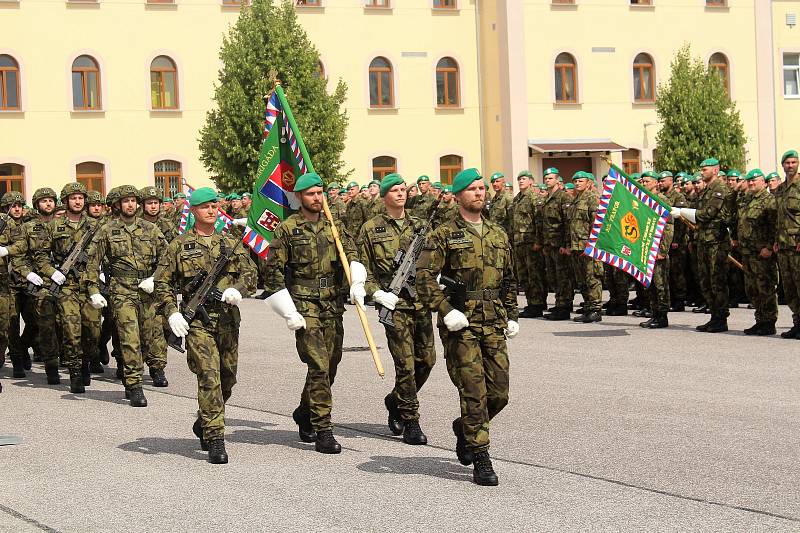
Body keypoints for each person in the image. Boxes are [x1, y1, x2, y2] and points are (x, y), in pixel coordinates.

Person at [416, 167, 519, 487]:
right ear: (458, 196)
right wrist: (446, 311)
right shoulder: (443, 234)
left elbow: (509, 279)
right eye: (472, 189)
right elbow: (422, 278)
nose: (479, 193)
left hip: (493, 321)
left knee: (499, 393)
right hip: (462, 324)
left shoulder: (498, 233)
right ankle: (481, 454)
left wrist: (513, 314)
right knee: (474, 391)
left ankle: (465, 427)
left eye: (481, 188)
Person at [156, 187, 256, 463]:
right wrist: (172, 312)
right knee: (209, 377)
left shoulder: (229, 243)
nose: (211, 210)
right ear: (194, 211)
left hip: (227, 320)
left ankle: (204, 419)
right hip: (198, 323)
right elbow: (162, 282)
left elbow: (250, 274)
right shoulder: (179, 245)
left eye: (214, 205)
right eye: (205, 206)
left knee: (227, 378)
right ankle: (215, 438)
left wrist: (238, 289)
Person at [263, 172, 355, 454]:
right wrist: (288, 310)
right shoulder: (288, 229)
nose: (317, 198)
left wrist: (358, 281)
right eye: (311, 194)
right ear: (300, 197)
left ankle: (305, 411)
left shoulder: (333, 227)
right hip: (304, 304)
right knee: (318, 365)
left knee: (331, 364)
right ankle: (323, 429)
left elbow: (350, 255)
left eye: (320, 193)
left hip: (332, 304)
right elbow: (272, 272)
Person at [353, 173, 436, 445]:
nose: (401, 193)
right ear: (384, 195)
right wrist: (376, 293)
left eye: (403, 189)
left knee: (427, 361)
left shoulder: (421, 225)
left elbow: (435, 261)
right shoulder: (370, 228)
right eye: (395, 190)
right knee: (406, 364)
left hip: (420, 301)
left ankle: (395, 400)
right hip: (394, 303)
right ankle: (411, 420)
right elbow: (364, 268)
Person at [87, 185, 169, 407]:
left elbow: (167, 257)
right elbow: (92, 262)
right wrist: (93, 290)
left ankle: (133, 371)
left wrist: (155, 278)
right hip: (121, 290)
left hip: (147, 290)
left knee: (146, 337)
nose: (130, 204)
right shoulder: (107, 230)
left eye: (133, 200)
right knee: (129, 337)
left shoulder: (150, 229)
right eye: (126, 201)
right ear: (117, 205)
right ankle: (134, 385)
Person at [35, 182, 101, 393]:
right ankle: (74, 372)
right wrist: (51, 272)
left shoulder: (95, 225)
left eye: (81, 197)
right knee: (71, 331)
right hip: (66, 287)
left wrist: (102, 273)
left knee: (93, 330)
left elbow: (106, 252)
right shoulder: (53, 226)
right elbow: (41, 256)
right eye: (73, 198)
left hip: (90, 285)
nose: (78, 201)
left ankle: (85, 362)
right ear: (65, 201)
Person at [672, 158, 734, 333]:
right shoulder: (706, 190)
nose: (701, 172)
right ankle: (714, 316)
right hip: (704, 241)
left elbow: (708, 214)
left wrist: (682, 212)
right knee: (706, 281)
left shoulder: (719, 189)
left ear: (715, 170)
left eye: (705, 169)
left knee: (717, 281)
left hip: (716, 242)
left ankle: (721, 318)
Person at [7, 189, 60, 382]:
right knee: (12, 323)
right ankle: (17, 359)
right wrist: (26, 272)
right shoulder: (25, 228)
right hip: (14, 282)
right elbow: (17, 253)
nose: (47, 204)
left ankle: (23, 347)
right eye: (43, 201)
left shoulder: (59, 225)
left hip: (40, 283)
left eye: (50, 201)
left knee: (37, 322)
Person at [736, 169, 778, 335]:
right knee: (752, 289)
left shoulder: (769, 201)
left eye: (755, 180)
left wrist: (769, 247)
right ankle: (759, 320)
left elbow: (775, 226)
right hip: (748, 253)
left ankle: (769, 322)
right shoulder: (746, 200)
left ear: (763, 182)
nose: (752, 183)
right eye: (749, 181)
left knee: (765, 288)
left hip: (762, 254)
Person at [638, 172, 674, 328]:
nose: (644, 184)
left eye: (647, 181)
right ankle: (654, 313)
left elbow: (668, 227)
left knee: (660, 284)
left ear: (655, 183)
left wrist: (663, 250)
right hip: (646, 247)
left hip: (657, 248)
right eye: (643, 181)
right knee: (650, 284)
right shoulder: (642, 200)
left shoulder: (662, 200)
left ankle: (662, 316)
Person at [566, 171, 603, 323]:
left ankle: (596, 310)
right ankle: (588, 307)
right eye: (575, 181)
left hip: (588, 246)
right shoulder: (575, 200)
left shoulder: (592, 198)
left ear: (588, 183)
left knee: (592, 277)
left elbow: (597, 222)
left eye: (581, 181)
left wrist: (592, 243)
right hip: (576, 246)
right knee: (581, 279)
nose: (577, 183)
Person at [539, 168, 573, 320]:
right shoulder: (547, 198)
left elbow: (567, 223)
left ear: (558, 180)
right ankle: (559, 303)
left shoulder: (564, 197)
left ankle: (564, 306)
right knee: (553, 277)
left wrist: (566, 244)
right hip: (549, 244)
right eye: (546, 178)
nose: (547, 180)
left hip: (559, 244)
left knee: (563, 276)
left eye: (550, 178)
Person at [510, 170, 542, 318]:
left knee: (534, 274)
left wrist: (538, 240)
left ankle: (537, 304)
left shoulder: (534, 197)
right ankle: (532, 303)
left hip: (530, 242)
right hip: (519, 242)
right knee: (523, 275)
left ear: (531, 181)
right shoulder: (517, 199)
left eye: (523, 178)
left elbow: (539, 220)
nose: (521, 181)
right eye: (519, 179)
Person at [775, 150, 800, 339]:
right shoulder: (781, 189)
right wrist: (776, 239)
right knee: (790, 287)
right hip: (783, 245)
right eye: (787, 163)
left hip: (797, 244)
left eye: (793, 162)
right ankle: (797, 323)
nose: (790, 165)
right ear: (782, 165)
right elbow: (779, 217)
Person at [659, 171, 689, 312]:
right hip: (665, 239)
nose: (661, 183)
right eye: (660, 181)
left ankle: (680, 299)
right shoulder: (662, 197)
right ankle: (671, 298)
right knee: (669, 272)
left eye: (663, 180)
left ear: (671, 181)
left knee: (678, 272)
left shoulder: (678, 197)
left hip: (677, 240)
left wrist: (676, 239)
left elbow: (682, 221)